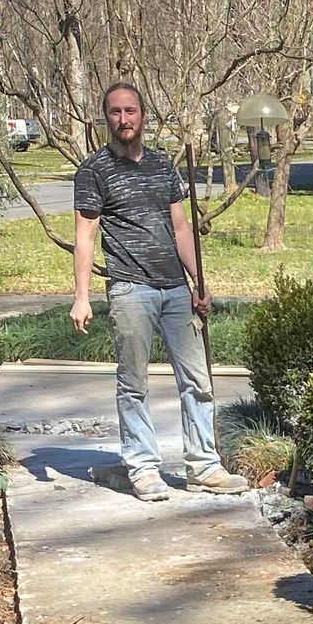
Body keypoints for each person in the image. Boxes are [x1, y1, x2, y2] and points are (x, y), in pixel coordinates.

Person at [71, 82, 248, 501]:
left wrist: (198, 280)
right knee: (134, 383)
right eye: (115, 112)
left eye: (130, 111)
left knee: (197, 378)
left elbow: (181, 227)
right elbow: (85, 236)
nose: (123, 119)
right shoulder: (93, 170)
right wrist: (81, 295)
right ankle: (143, 468)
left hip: (175, 288)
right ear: (106, 117)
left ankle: (203, 466)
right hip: (131, 289)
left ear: (143, 115)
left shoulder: (162, 166)